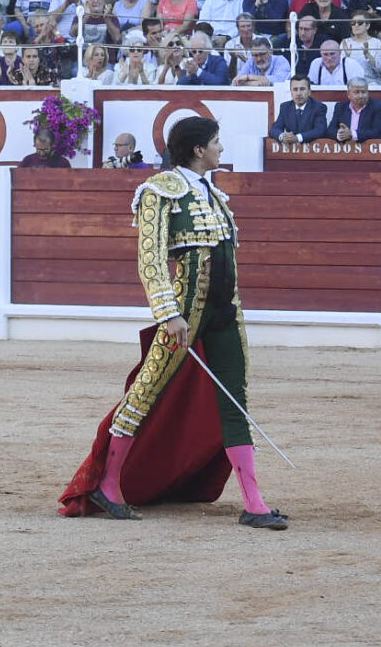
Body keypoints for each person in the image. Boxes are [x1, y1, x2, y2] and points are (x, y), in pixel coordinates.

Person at [58, 116, 286, 529]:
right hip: (185, 310)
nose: (220, 149)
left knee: (235, 398)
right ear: (198, 150)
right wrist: (169, 313)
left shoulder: (213, 194)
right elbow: (151, 259)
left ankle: (254, 504)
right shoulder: (158, 190)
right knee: (147, 389)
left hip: (225, 311)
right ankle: (107, 486)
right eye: (216, 142)